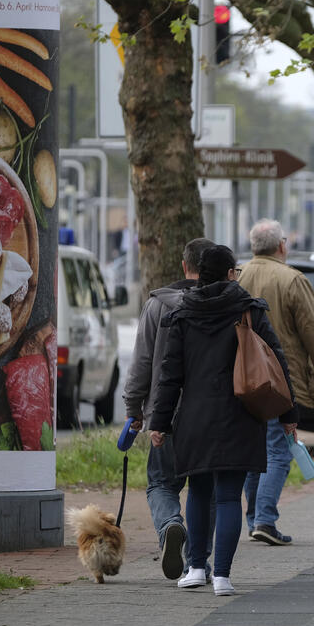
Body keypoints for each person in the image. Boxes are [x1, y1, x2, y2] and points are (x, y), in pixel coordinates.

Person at [149, 245, 299, 596]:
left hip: (194, 418)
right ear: (231, 273)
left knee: (198, 493)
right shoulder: (249, 310)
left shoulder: (182, 314)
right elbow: (277, 363)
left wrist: (159, 422)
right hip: (240, 417)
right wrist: (289, 415)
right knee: (229, 497)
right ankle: (223, 577)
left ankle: (197, 568)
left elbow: (170, 375)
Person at [238, 219, 314, 546]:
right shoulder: (293, 280)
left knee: (253, 451)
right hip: (282, 379)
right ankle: (265, 519)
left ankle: (254, 519)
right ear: (282, 246)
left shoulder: (237, 276)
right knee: (278, 450)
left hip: (242, 379)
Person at [123, 237, 215, 580]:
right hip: (210, 414)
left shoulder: (158, 305)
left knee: (162, 484)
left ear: (183, 265)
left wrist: (134, 409)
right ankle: (199, 562)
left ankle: (170, 525)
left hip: (166, 414)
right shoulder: (221, 304)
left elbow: (142, 362)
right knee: (207, 488)